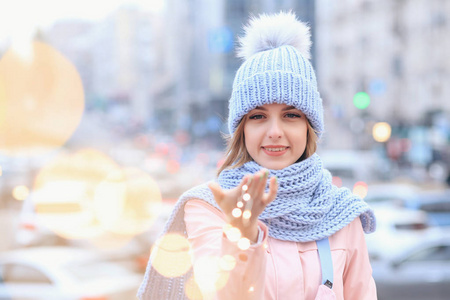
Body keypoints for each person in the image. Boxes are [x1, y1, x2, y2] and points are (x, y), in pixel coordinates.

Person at [138, 11, 377, 300]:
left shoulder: (341, 213)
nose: (275, 131)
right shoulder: (211, 207)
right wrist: (242, 233)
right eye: (258, 116)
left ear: (309, 126)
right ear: (241, 128)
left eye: (290, 115)